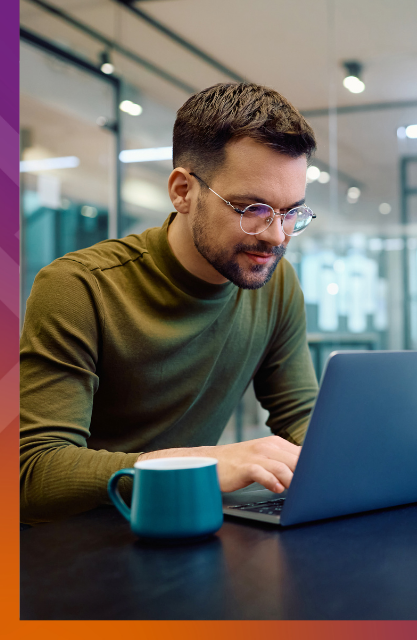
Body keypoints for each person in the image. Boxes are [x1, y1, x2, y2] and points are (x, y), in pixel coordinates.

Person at [20, 83, 321, 523]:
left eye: (291, 212)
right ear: (182, 191)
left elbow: (301, 419)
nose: (276, 236)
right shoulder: (80, 287)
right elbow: (35, 473)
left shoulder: (277, 284)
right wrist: (202, 463)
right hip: (78, 539)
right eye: (251, 208)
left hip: (186, 525)